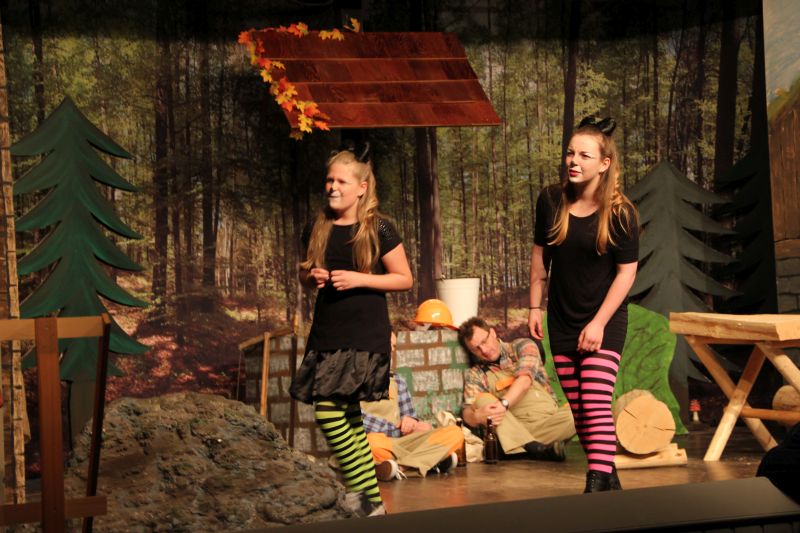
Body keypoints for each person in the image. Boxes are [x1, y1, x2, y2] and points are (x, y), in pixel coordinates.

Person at [289, 143, 413, 517]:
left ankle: (362, 498)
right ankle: (371, 503)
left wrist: (360, 278)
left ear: (361, 187)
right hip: (328, 331)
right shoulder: (316, 227)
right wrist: (311, 277)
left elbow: (404, 278)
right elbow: (304, 273)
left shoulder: (378, 228)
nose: (333, 187)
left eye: (341, 181)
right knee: (349, 419)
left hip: (364, 333)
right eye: (329, 180)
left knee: (328, 413)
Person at [528, 116, 639, 493]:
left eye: (584, 156)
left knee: (594, 404)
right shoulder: (550, 200)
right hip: (562, 320)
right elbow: (540, 256)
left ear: (604, 164)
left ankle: (594, 486)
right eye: (570, 153)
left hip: (603, 320)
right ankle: (610, 484)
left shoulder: (621, 212)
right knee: (580, 412)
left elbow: (626, 274)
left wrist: (598, 324)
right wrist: (534, 307)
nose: (573, 161)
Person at [458, 317, 576, 461]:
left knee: (581, 411)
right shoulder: (476, 373)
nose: (484, 350)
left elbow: (525, 380)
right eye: (476, 349)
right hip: (513, 425)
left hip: (549, 423)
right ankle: (536, 449)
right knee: (482, 400)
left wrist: (503, 404)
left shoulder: (522, 346)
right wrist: (476, 417)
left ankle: (518, 448)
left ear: (493, 333)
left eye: (484, 341)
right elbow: (467, 411)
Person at [361, 371, 463, 480]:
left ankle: (401, 467)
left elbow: (410, 419)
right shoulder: (352, 384)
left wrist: (413, 423)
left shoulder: (397, 381)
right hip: (382, 444)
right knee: (370, 443)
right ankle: (432, 460)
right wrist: (398, 427)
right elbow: (362, 422)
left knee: (455, 432)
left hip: (404, 442)